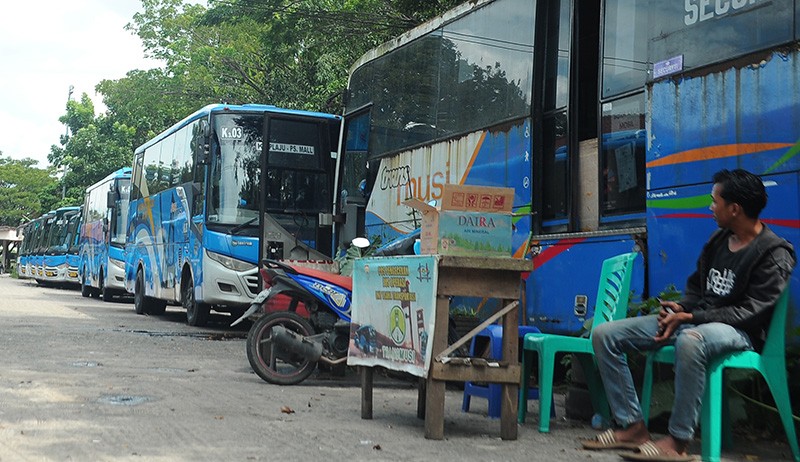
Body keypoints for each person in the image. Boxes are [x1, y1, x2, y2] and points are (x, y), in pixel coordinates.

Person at [582, 169, 796, 461]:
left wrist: (692, 318)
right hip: (700, 321)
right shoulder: (719, 240)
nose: (710, 207)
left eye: (714, 201)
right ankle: (632, 426)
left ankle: (678, 442)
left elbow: (750, 312)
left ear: (734, 209)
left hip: (739, 332)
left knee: (691, 340)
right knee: (605, 334)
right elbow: (697, 287)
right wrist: (682, 308)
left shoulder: (774, 253)